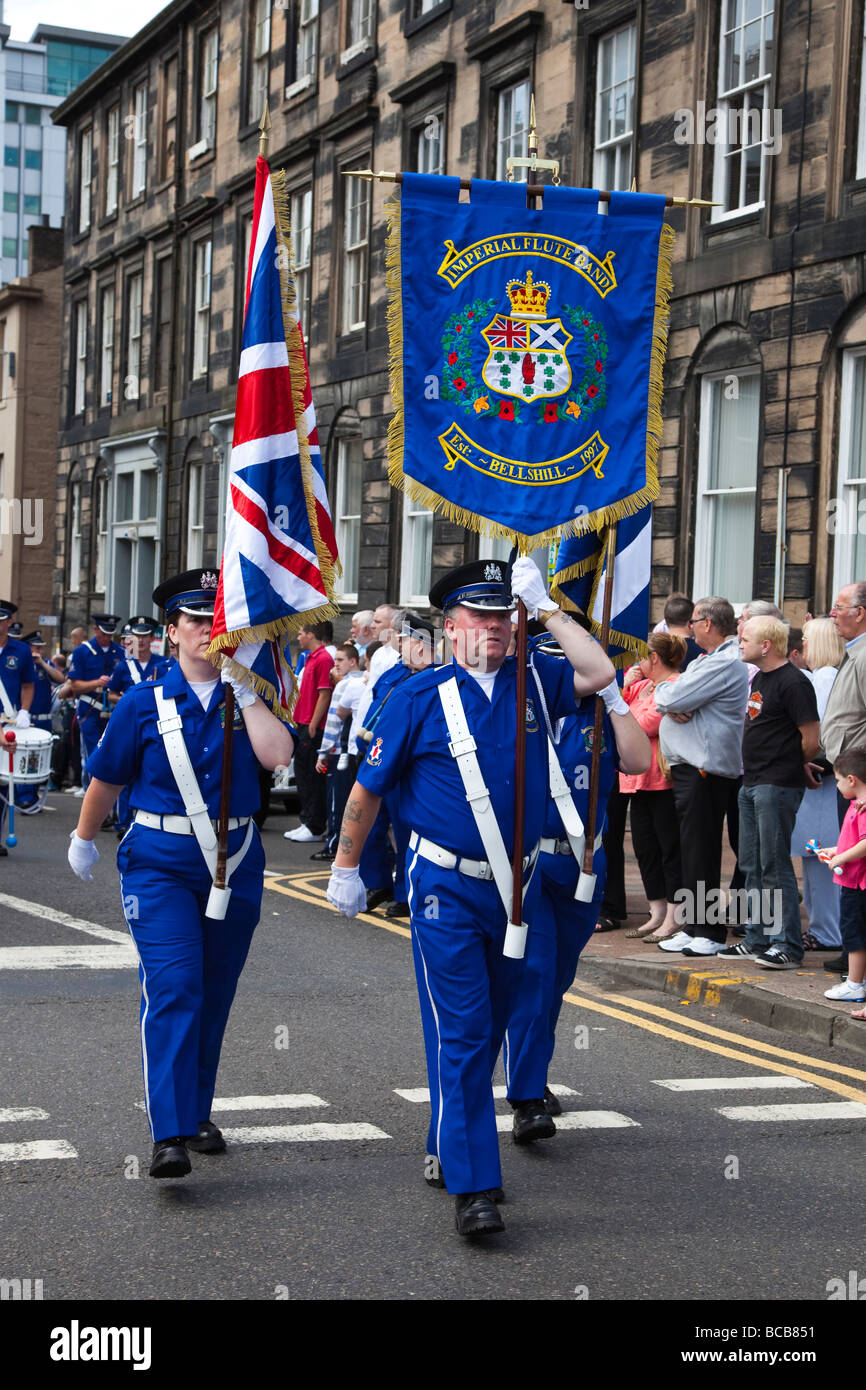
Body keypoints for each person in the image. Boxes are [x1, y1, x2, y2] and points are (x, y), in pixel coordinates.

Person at [326, 558, 615, 1238]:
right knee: (461, 1031)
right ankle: (476, 1187)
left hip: (518, 886)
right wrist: (346, 865)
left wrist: (546, 608)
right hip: (445, 888)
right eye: (482, 616)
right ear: (451, 627)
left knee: (490, 1026)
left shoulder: (538, 682)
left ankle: (449, 1140)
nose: (495, 627)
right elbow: (367, 791)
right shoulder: (417, 698)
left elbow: (600, 673)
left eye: (502, 615)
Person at [66, 568, 295, 1179]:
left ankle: (195, 1111)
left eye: (215, 621)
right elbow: (107, 777)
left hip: (235, 863)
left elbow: (277, 757)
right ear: (172, 632)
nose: (204, 632)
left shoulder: (248, 697)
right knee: (174, 987)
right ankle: (167, 1130)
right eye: (193, 621)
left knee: (214, 991)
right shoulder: (144, 702)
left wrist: (244, 691)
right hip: (160, 865)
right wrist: (83, 836)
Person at [502, 631, 650, 1139]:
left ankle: (533, 1073)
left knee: (558, 981)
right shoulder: (519, 713)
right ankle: (525, 1095)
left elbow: (638, 762)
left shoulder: (601, 714)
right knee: (535, 975)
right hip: (531, 864)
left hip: (586, 865)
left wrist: (614, 701)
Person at [717, 617, 819, 968]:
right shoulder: (760, 677)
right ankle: (758, 938)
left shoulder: (794, 683)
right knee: (752, 864)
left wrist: (793, 763)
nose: (739, 643)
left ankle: (787, 945)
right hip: (753, 782)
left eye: (745, 638)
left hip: (777, 784)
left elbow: (811, 738)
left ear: (766, 646)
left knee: (774, 865)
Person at [654, 596, 750, 956]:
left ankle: (709, 931)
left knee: (702, 850)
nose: (689, 627)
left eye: (694, 621)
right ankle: (695, 925)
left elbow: (672, 696)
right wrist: (673, 697)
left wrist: (668, 694)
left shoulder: (725, 662)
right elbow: (675, 697)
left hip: (705, 768)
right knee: (690, 850)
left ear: (708, 624)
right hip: (692, 767)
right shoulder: (708, 661)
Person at [620, 632, 686, 943]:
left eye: (642, 657)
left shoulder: (674, 687)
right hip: (638, 780)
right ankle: (656, 912)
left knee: (669, 849)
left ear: (655, 659)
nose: (638, 662)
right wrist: (625, 686)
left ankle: (675, 916)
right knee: (645, 849)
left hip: (663, 780)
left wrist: (625, 713)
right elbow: (614, 716)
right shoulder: (643, 686)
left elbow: (645, 724)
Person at [790, 618, 845, 951]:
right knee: (816, 858)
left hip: (820, 778)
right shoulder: (826, 676)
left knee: (820, 857)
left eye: (808, 638)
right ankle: (824, 929)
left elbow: (819, 731)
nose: (804, 645)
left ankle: (826, 931)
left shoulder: (824, 678)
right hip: (822, 777)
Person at [820, 749, 866, 1008]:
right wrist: (836, 850)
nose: (836, 785)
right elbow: (854, 840)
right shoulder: (856, 805)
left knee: (854, 935)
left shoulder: (862, 807)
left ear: (852, 779)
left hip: (857, 883)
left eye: (837, 780)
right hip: (854, 881)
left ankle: (854, 984)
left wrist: (841, 858)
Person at [284, 620, 334, 843]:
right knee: (303, 775)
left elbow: (324, 693)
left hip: (312, 725)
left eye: (301, 631)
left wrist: (314, 723)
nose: (298, 636)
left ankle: (315, 825)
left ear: (312, 634)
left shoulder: (323, 659)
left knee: (313, 778)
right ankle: (307, 820)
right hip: (303, 722)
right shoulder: (312, 658)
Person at [315, 642, 366, 860]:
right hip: (356, 752)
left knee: (338, 802)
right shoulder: (366, 680)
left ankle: (334, 845)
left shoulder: (346, 685)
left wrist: (323, 752)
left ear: (353, 661)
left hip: (340, 752)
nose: (334, 665)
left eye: (340, 660)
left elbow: (334, 722)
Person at [67, 615, 125, 789]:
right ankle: (94, 795)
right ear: (96, 629)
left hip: (114, 708)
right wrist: (97, 683)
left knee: (114, 753)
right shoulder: (82, 652)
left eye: (110, 634)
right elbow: (75, 685)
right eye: (104, 633)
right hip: (90, 709)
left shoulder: (120, 652)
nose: (107, 638)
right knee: (93, 753)